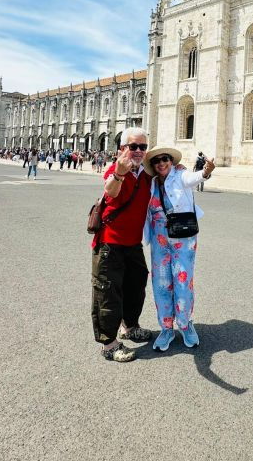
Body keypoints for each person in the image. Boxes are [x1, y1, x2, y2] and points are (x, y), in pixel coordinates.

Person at [91, 127, 154, 362]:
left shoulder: (146, 174)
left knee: (135, 287)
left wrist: (175, 167)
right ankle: (109, 344)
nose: (138, 151)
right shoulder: (115, 169)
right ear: (122, 149)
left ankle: (130, 327)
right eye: (133, 146)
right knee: (108, 293)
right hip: (110, 243)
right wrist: (119, 173)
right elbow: (111, 191)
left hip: (133, 243)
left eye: (143, 147)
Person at [143, 146, 215, 351]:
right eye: (156, 161)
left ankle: (185, 324)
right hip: (159, 241)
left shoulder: (181, 174)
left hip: (183, 239)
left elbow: (194, 179)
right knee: (161, 283)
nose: (161, 163)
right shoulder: (152, 182)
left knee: (183, 282)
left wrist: (206, 171)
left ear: (171, 161)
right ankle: (166, 328)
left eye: (165, 159)